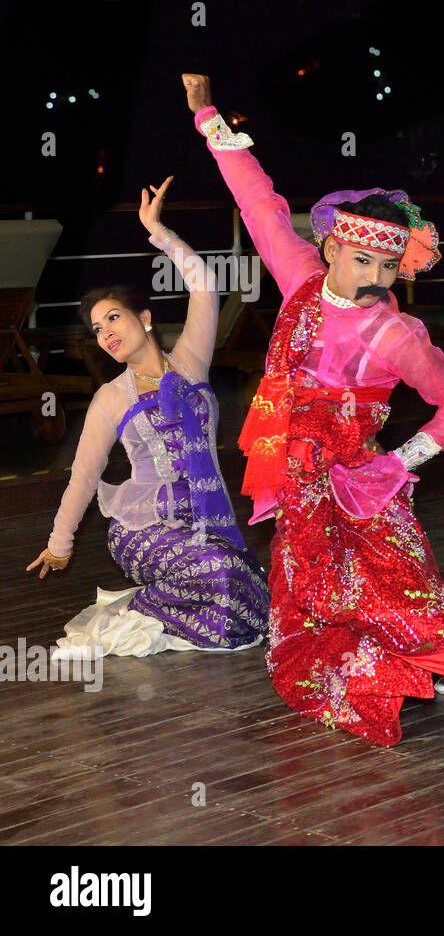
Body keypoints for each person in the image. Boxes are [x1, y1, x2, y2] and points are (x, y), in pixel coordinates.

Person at [182, 74, 444, 787]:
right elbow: (260, 202)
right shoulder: (299, 273)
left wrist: (397, 464)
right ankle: (434, 671)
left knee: (413, 604)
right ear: (330, 248)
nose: (373, 276)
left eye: (388, 265)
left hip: (358, 496)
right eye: (362, 259)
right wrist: (208, 115)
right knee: (329, 610)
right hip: (304, 496)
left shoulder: (393, 333)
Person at [27, 177, 270, 655]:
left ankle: (179, 601)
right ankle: (144, 607)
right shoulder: (110, 399)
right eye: (97, 329)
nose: (106, 333)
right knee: (221, 577)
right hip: (142, 530)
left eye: (113, 318)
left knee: (256, 598)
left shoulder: (189, 363)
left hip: (202, 522)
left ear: (145, 318)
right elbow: (82, 478)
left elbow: (204, 284)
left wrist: (158, 232)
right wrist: (60, 544)